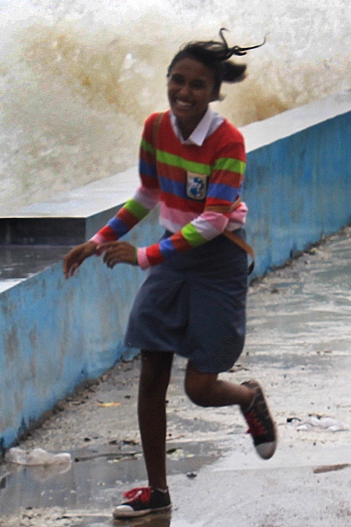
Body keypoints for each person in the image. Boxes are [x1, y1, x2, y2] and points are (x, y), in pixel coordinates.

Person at [63, 30, 276, 519]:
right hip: (171, 255)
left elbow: (214, 220)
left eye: (197, 85)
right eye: (177, 80)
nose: (183, 92)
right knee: (151, 369)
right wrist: (97, 241)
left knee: (199, 388)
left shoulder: (228, 140)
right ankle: (157, 491)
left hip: (217, 257)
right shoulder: (156, 127)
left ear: (215, 92)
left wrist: (143, 257)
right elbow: (147, 195)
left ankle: (248, 398)